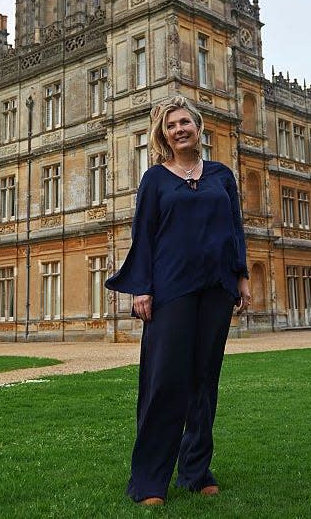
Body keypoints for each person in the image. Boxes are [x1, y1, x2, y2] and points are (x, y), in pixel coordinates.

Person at [105, 95, 251, 506]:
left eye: (185, 122)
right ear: (163, 135)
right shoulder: (155, 179)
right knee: (164, 382)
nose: (180, 129)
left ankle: (195, 470)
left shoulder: (222, 176)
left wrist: (240, 278)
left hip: (217, 286)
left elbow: (235, 230)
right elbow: (144, 236)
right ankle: (150, 480)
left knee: (204, 382)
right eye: (171, 126)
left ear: (199, 128)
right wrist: (141, 287)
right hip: (171, 289)